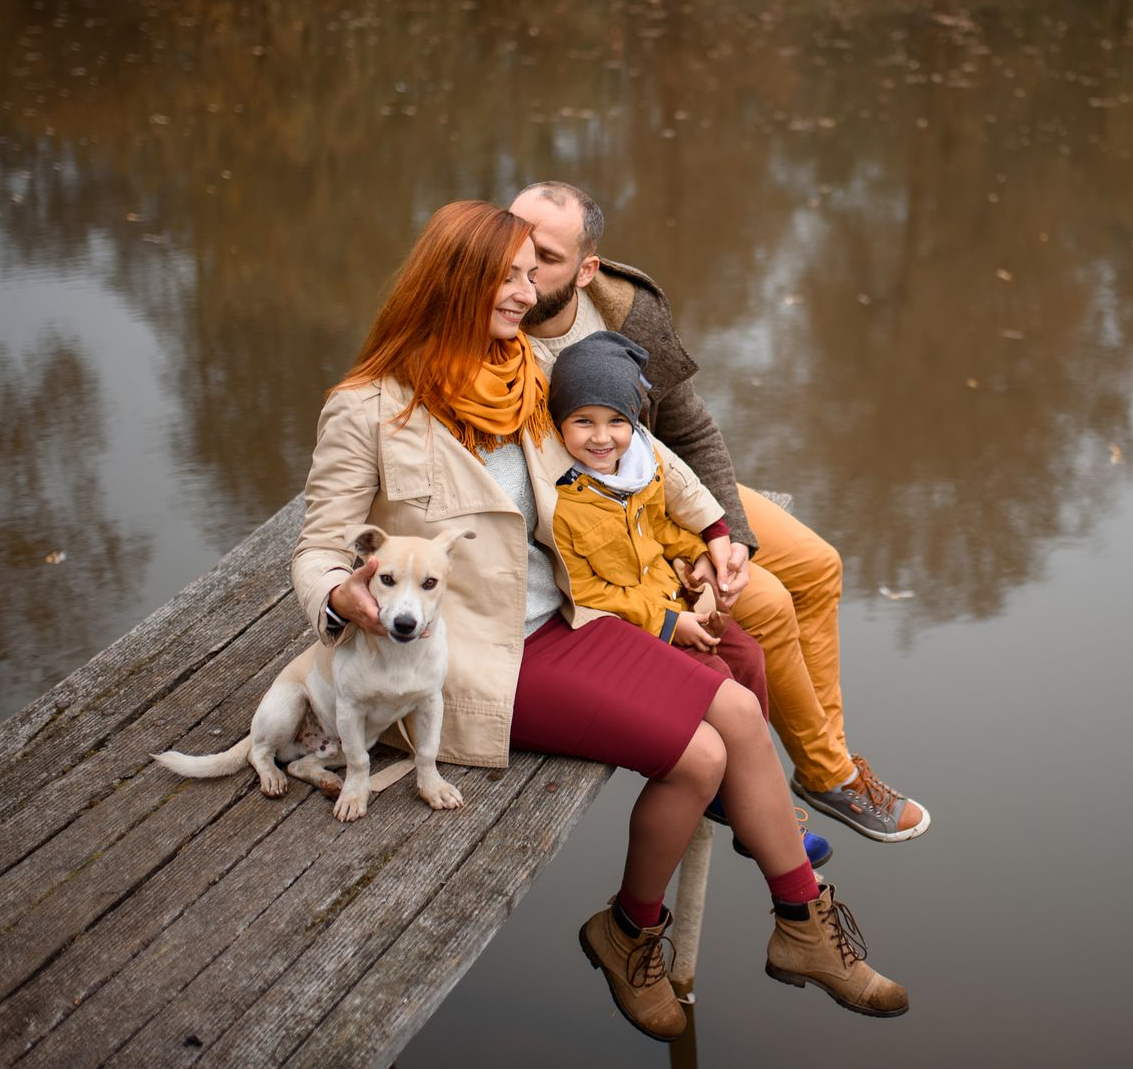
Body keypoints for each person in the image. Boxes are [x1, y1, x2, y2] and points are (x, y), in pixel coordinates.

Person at [291, 201, 909, 1042]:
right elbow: (320, 546)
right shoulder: (368, 407)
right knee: (699, 753)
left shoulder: (525, 375)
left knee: (728, 710)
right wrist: (339, 598)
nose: (525, 291)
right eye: (507, 276)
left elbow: (635, 462)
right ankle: (635, 932)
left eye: (528, 271)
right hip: (474, 654)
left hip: (568, 617)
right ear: (454, 281)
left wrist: (710, 534)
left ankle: (793, 921)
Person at [510, 181, 931, 844]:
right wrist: (678, 549)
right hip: (605, 529)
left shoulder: (623, 310)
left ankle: (827, 769)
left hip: (663, 489)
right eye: (512, 238)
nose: (522, 266)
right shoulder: (492, 334)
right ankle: (791, 777)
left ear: (587, 268)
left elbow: (692, 430)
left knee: (819, 566)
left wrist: (726, 534)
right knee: (763, 606)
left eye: (547, 255)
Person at [548, 328, 830, 868]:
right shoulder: (566, 499)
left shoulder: (639, 474)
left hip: (672, 598)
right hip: (630, 627)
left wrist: (697, 555)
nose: (601, 438)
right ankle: (755, 814)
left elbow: (660, 528)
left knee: (748, 655)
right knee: (718, 681)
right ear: (560, 422)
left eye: (616, 423)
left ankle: (751, 797)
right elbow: (585, 590)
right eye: (583, 421)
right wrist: (668, 624)